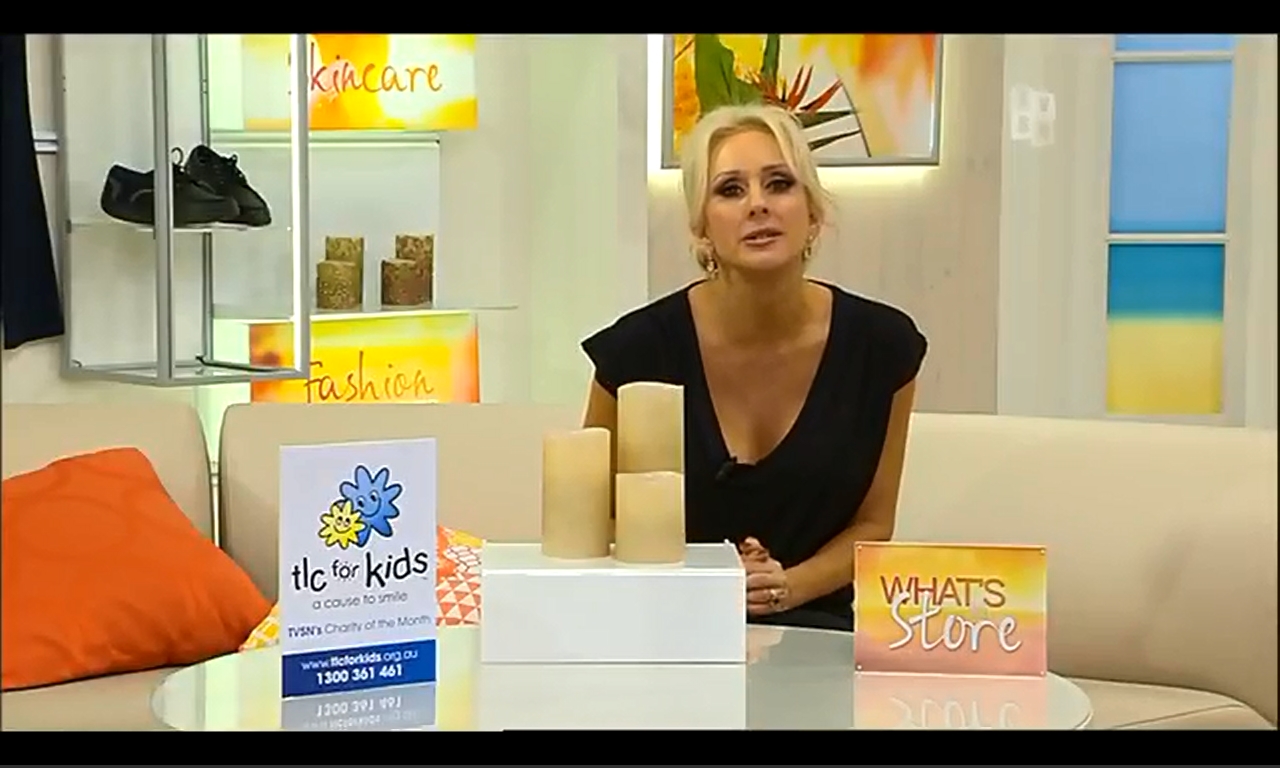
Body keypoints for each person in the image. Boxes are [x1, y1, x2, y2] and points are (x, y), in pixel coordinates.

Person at [580, 104, 928, 632]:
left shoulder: (882, 348)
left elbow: (874, 523)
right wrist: (706, 580)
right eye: (730, 190)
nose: (758, 204)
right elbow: (594, 516)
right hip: (670, 628)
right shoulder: (637, 352)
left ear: (813, 213)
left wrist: (786, 587)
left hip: (819, 630)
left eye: (779, 184)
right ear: (701, 228)